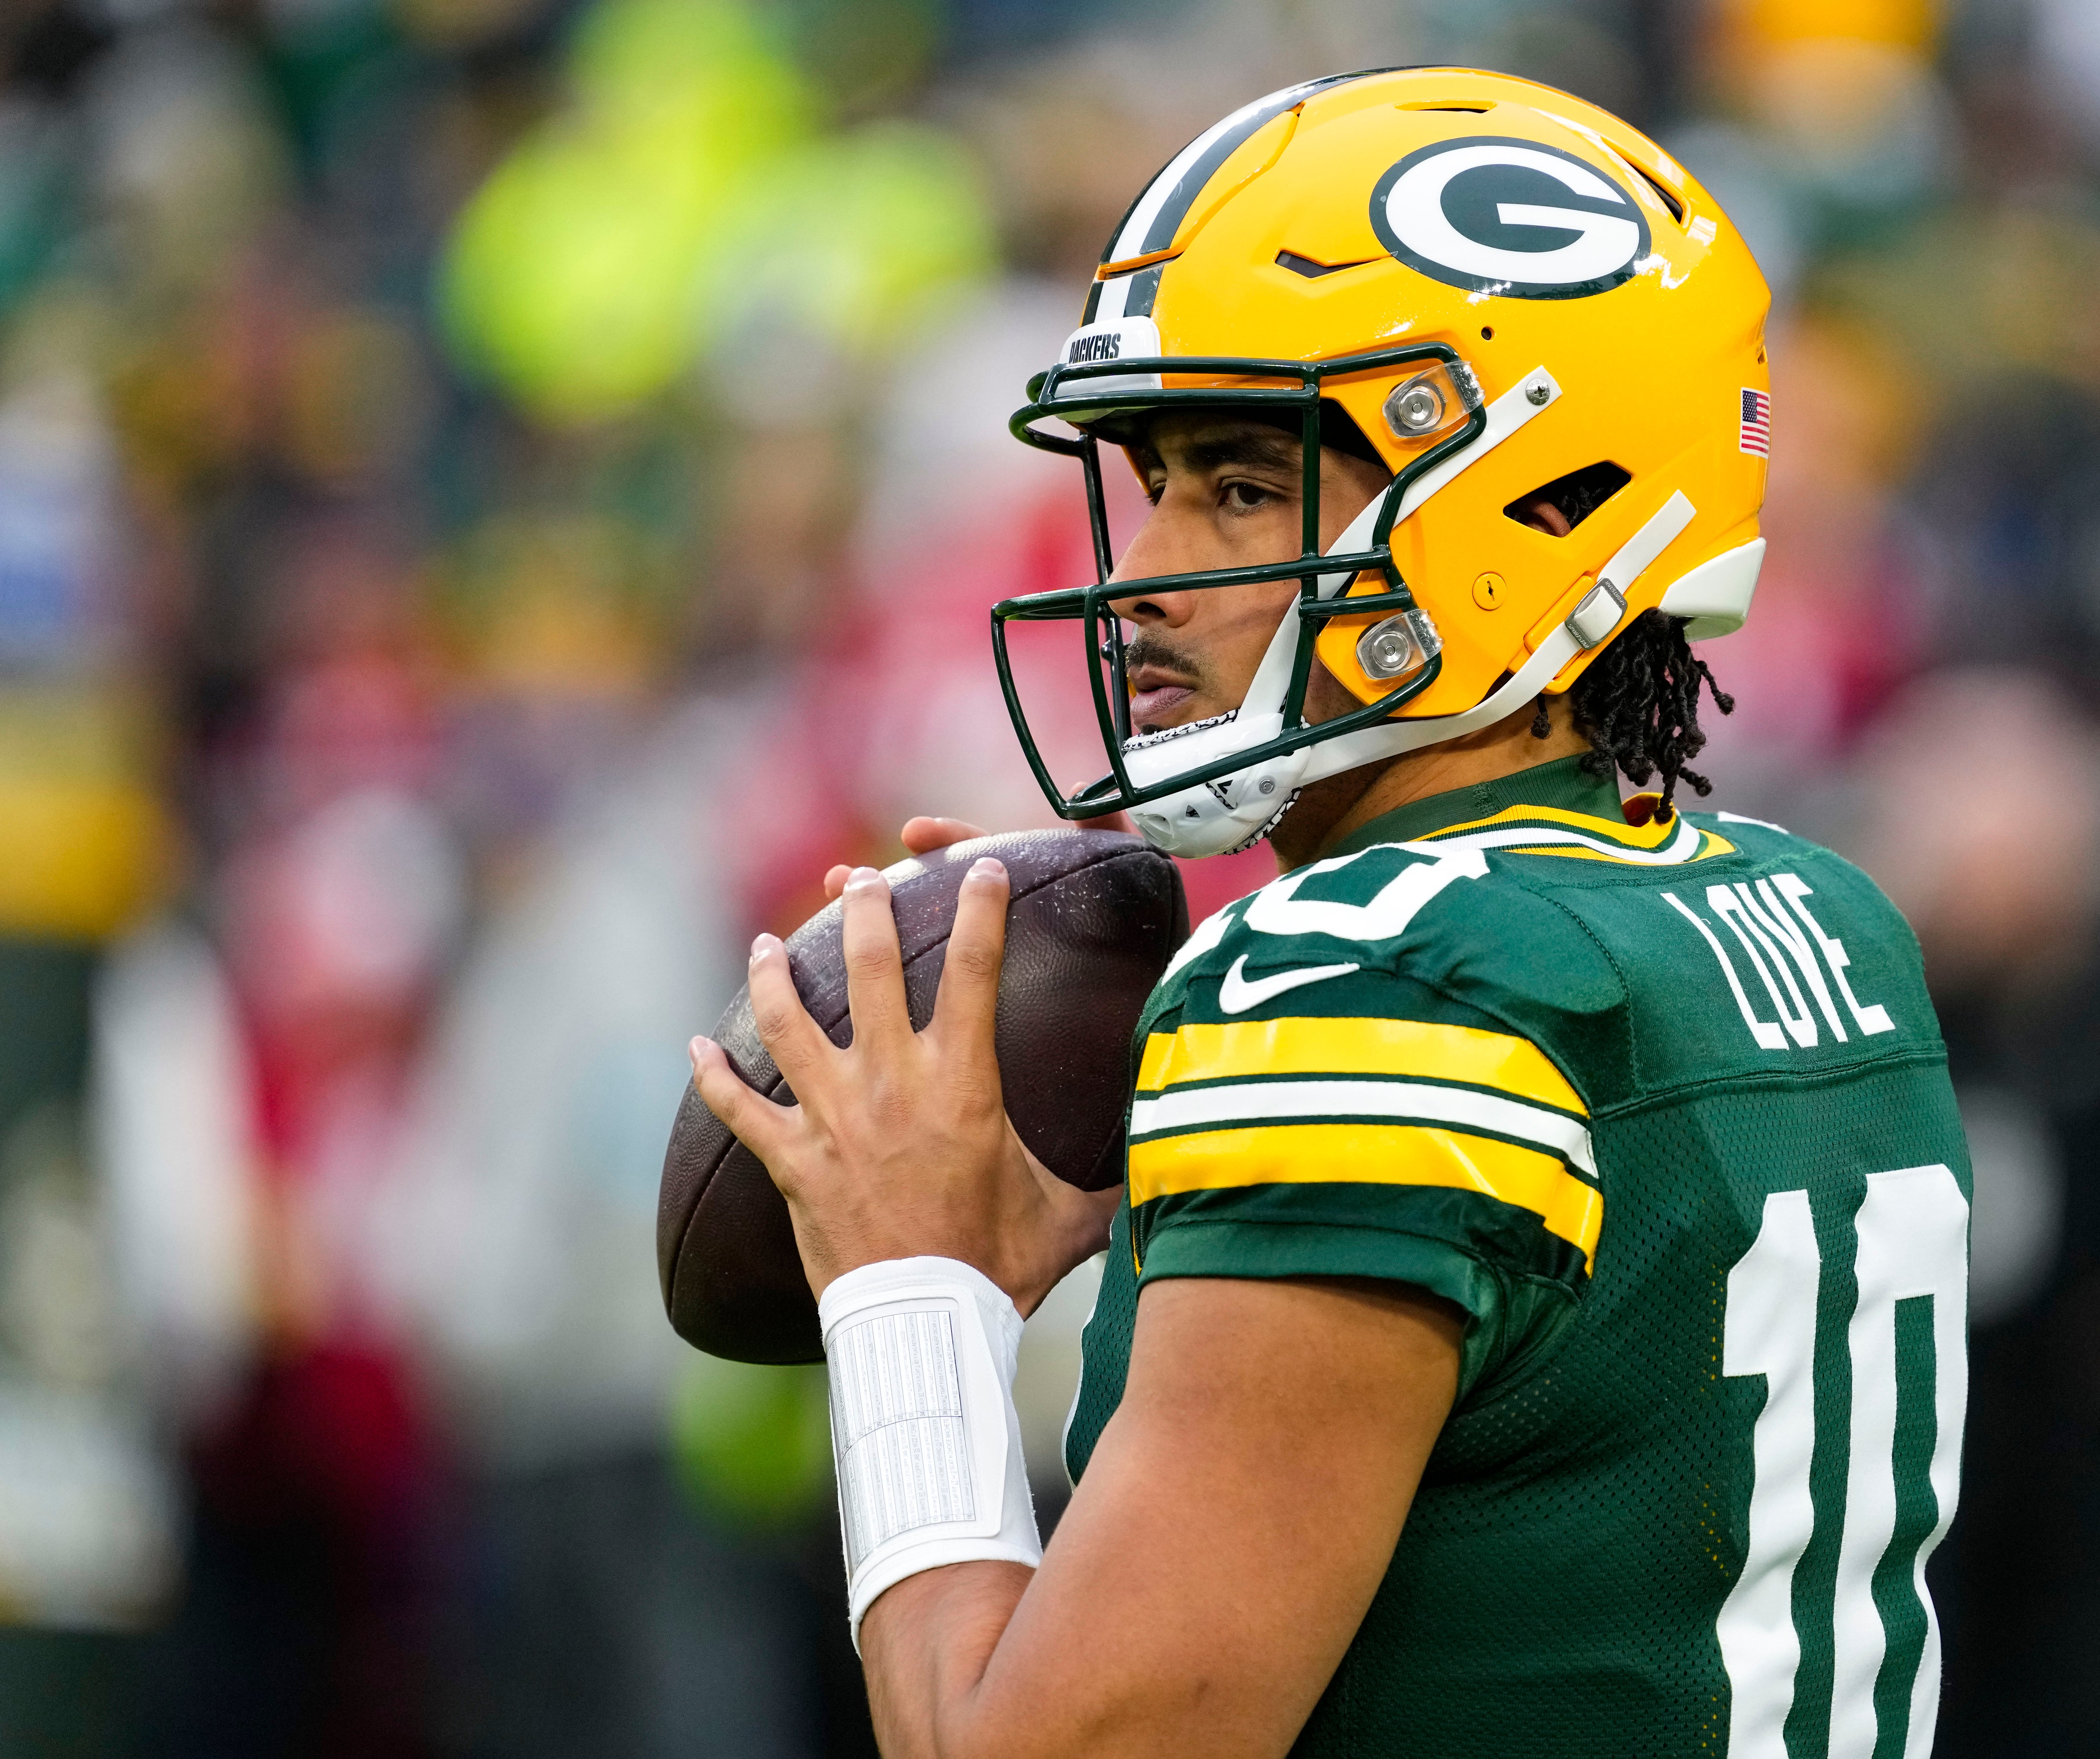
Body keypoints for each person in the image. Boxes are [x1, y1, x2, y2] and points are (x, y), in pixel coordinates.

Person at [688, 67, 1972, 1759]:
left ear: (1530, 505)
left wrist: (915, 1291)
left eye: (1236, 485)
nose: (1148, 565)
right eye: (1147, 481)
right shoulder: (1821, 914)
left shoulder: (1376, 974)